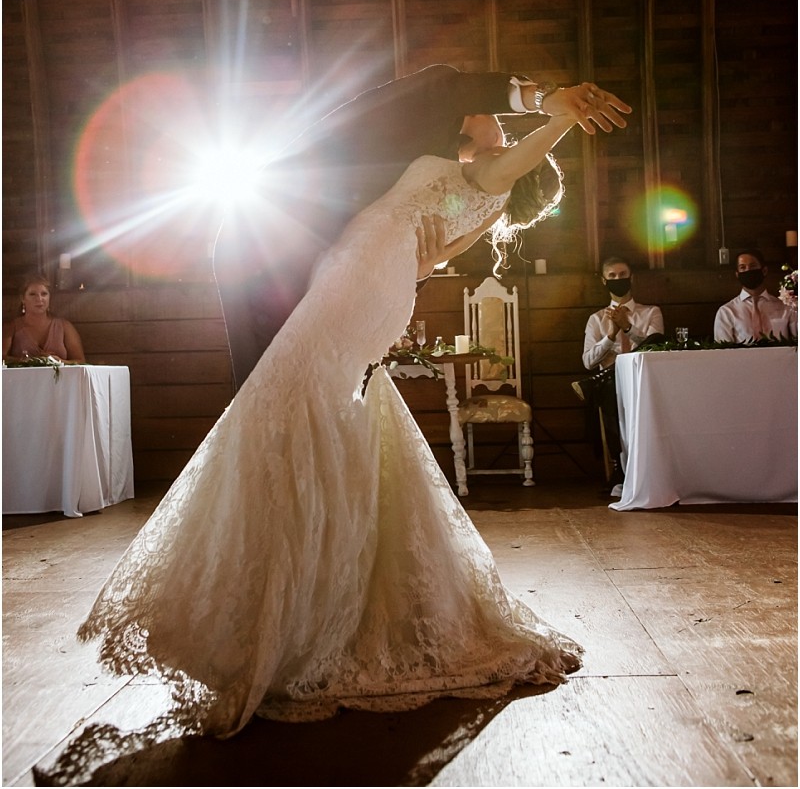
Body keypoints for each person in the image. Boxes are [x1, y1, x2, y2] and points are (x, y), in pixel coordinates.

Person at [76, 103, 621, 741]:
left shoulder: (493, 178)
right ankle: (306, 599)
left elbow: (510, 161)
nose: (501, 132)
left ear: (520, 164)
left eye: (512, 140)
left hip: (360, 279)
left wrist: (560, 117)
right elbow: (426, 261)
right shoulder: (474, 188)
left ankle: (284, 620)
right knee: (297, 410)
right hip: (364, 272)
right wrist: (392, 246)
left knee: (283, 403)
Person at [214, 64, 632, 388]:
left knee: (305, 393)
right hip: (268, 238)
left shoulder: (470, 175)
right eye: (504, 135)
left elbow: (428, 247)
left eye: (508, 147)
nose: (503, 140)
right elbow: (457, 90)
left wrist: (421, 271)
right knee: (269, 386)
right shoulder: (436, 99)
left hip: (339, 271)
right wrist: (547, 100)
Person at [575, 257, 664, 491]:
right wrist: (610, 336)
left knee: (651, 345)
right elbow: (588, 361)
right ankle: (620, 469)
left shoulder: (651, 312)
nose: (618, 279)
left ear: (631, 277)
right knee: (609, 391)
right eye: (612, 276)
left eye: (622, 274)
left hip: (645, 382)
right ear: (604, 281)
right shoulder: (596, 319)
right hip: (612, 391)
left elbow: (656, 348)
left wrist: (628, 327)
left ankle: (643, 472)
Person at [714, 248, 796, 343]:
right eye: (742, 267)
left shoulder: (785, 306)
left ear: (764, 271)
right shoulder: (727, 312)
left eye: (753, 266)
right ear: (737, 274)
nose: (748, 270)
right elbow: (723, 350)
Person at [2, 273, 86, 362]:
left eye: (44, 294)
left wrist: (59, 361)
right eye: (33, 294)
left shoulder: (64, 327)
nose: (39, 299)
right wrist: (27, 361)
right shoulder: (11, 327)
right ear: (23, 298)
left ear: (49, 297)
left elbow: (81, 361)